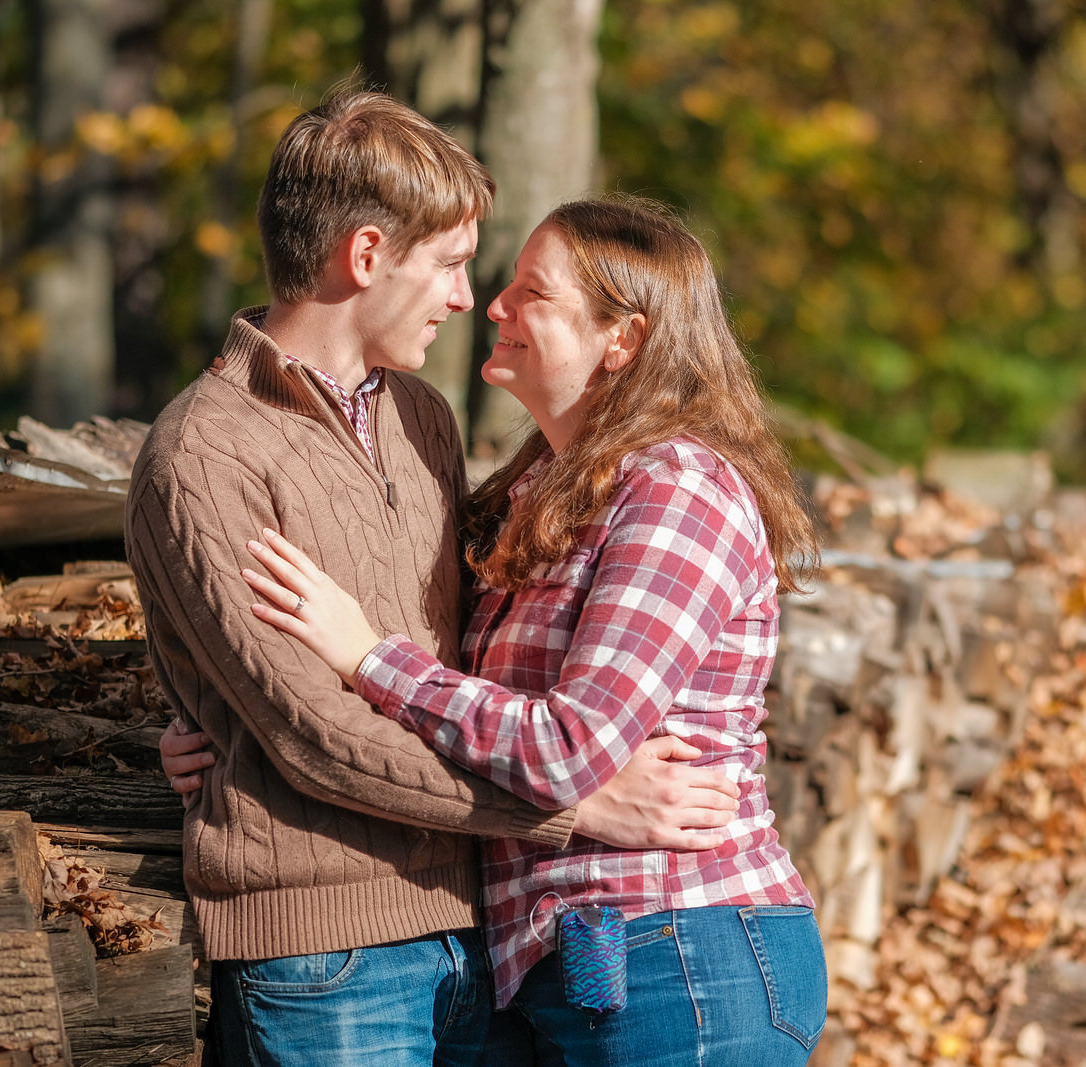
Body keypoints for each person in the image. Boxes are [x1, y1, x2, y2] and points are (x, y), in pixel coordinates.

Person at [128, 83, 740, 1067]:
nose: (467, 298)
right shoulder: (207, 454)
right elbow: (312, 733)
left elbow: (461, 657)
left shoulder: (422, 420)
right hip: (324, 951)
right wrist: (575, 805)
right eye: (450, 264)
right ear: (365, 255)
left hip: (474, 939)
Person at [228, 197, 829, 1065]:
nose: (493, 305)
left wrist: (367, 656)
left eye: (532, 293)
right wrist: (227, 733)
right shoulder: (542, 489)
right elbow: (495, 722)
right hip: (579, 962)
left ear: (622, 339)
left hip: (683, 960)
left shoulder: (677, 491)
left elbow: (564, 748)